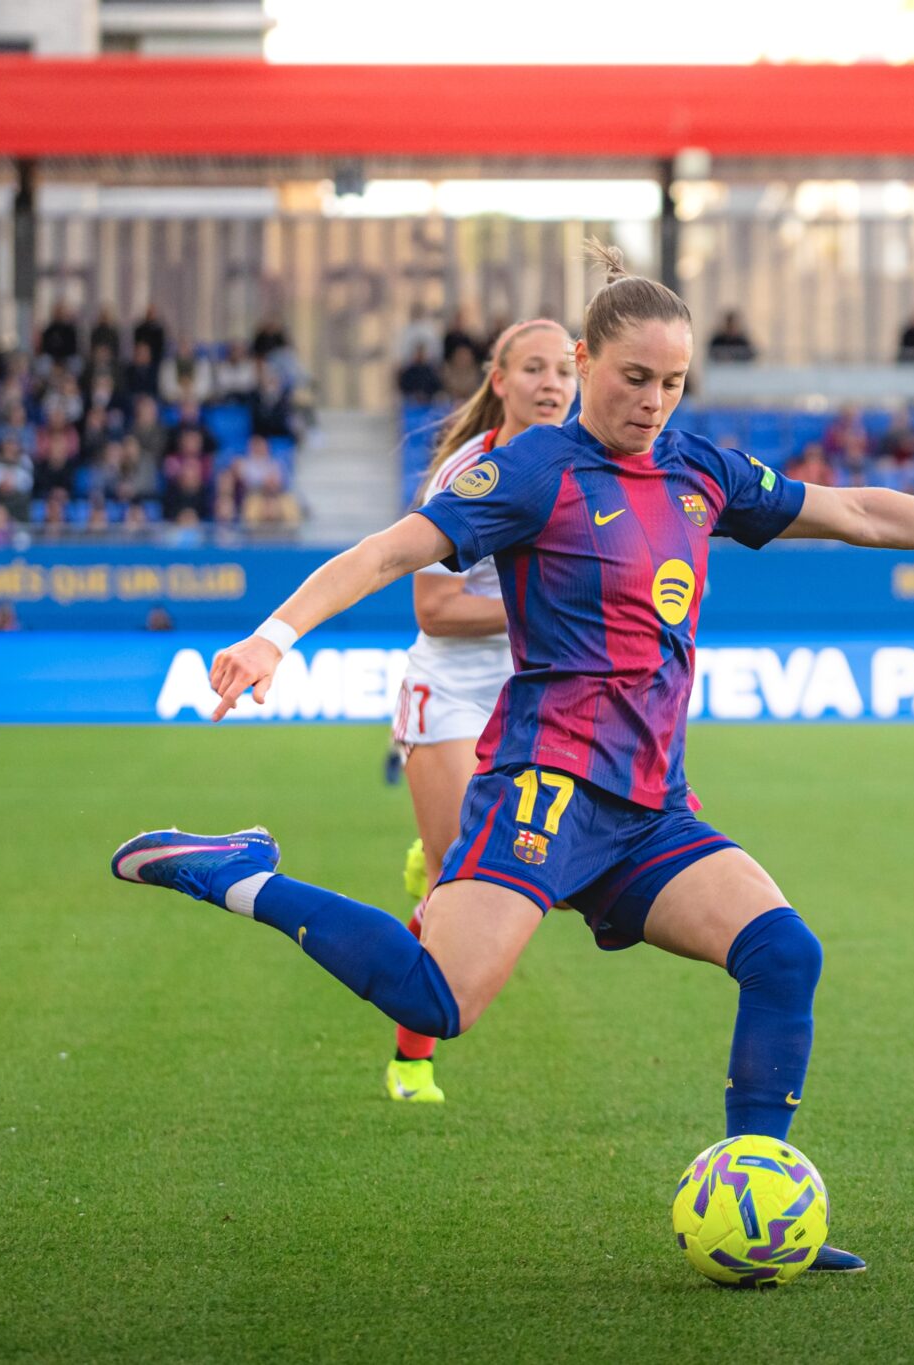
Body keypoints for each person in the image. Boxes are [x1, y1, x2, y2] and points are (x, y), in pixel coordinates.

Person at [110, 241, 914, 1277]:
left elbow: (854, 510)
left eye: (672, 382)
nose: (653, 402)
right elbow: (391, 552)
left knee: (783, 952)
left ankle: (759, 1202)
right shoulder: (533, 469)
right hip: (545, 789)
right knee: (437, 1001)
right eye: (634, 378)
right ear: (584, 362)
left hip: (651, 807)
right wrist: (274, 637)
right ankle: (238, 873)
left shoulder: (699, 469)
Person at [381, 316, 575, 1105]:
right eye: (533, 368)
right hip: (456, 690)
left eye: (564, 369)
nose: (551, 383)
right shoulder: (467, 474)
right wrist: (542, 609)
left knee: (536, 876)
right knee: (457, 885)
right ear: (499, 381)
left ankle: (437, 849)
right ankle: (411, 1062)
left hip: (536, 690)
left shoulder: (593, 464)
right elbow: (434, 608)